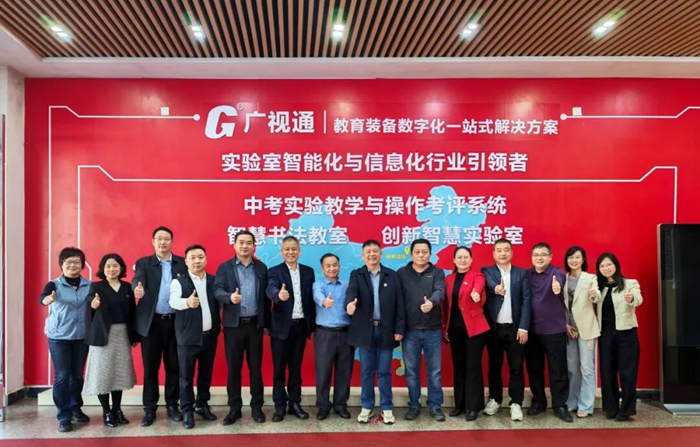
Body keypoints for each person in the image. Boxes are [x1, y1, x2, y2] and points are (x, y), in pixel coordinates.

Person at [132, 226, 188, 426]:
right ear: (153, 242)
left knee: (174, 366)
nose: (163, 242)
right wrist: (137, 288)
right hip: (152, 323)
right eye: (159, 239)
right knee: (150, 368)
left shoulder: (182, 263)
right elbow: (137, 280)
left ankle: (172, 405)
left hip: (175, 322)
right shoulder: (144, 263)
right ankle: (149, 409)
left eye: (166, 239)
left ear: (172, 242)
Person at [346, 240, 405, 425]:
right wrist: (349, 304)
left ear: (381, 254)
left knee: (385, 371)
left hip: (386, 330)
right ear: (363, 256)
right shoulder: (357, 274)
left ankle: (387, 407)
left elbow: (400, 304)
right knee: (367, 372)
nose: (372, 254)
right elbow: (351, 292)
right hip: (366, 331)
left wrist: (399, 329)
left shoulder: (392, 275)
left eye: (375, 251)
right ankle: (367, 406)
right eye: (368, 252)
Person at [213, 230, 269, 425]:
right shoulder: (225, 268)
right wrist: (229, 297)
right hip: (233, 326)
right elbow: (217, 290)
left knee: (255, 368)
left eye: (248, 243)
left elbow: (266, 298)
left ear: (254, 246)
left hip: (254, 325)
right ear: (234, 245)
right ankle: (234, 409)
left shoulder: (261, 267)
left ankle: (257, 408)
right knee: (234, 369)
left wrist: (265, 323)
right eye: (241, 242)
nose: (245, 246)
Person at [39, 247, 92, 432]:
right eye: (68, 262)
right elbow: (43, 297)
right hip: (59, 337)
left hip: (81, 337)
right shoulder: (54, 285)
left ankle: (75, 408)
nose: (72, 265)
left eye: (76, 262)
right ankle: (64, 416)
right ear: (61, 264)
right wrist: (46, 300)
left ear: (82, 265)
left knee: (77, 376)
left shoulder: (89, 285)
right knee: (62, 376)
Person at [169, 245, 221, 429]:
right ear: (186, 261)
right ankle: (187, 411)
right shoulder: (178, 282)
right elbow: (173, 302)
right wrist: (187, 302)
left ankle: (202, 405)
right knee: (186, 377)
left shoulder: (214, 280)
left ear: (206, 259)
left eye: (200, 257)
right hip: (187, 337)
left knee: (205, 374)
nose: (197, 261)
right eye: (193, 258)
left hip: (209, 336)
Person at [83, 253, 138, 428]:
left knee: (119, 374)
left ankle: (117, 410)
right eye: (108, 266)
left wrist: (134, 336)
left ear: (121, 268)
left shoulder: (127, 287)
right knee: (103, 375)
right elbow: (89, 299)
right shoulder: (96, 286)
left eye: (115, 266)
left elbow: (133, 312)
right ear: (103, 269)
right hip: (102, 336)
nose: (112, 269)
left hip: (122, 334)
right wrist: (93, 303)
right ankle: (106, 411)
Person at [266, 235, 316, 422]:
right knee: (279, 369)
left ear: (299, 251)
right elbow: (270, 289)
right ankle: (280, 406)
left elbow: (310, 301)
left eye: (294, 249)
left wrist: (312, 326)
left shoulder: (308, 272)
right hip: (280, 329)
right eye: (287, 249)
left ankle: (295, 403)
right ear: (281, 252)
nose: (290, 252)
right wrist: (278, 295)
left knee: (296, 369)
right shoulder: (274, 271)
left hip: (300, 327)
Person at [481, 238, 531, 422]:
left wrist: (524, 327)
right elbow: (488, 282)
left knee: (516, 367)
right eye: (499, 250)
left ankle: (516, 402)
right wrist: (496, 288)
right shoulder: (487, 271)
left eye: (506, 250)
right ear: (494, 253)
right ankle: (495, 399)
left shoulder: (521, 274)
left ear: (511, 252)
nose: (503, 253)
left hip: (515, 329)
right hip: (494, 329)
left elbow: (527, 302)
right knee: (494, 367)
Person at [398, 238, 447, 422]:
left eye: (424, 252)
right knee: (411, 371)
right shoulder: (402, 273)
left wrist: (432, 303)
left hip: (432, 329)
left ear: (430, 254)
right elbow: (397, 301)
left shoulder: (437, 272)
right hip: (409, 331)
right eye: (417, 252)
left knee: (434, 372)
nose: (421, 255)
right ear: (411, 254)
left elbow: (440, 291)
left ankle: (435, 406)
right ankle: (414, 405)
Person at [525, 242, 572, 422]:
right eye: (536, 255)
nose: (539, 258)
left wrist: (557, 286)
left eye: (543, 254)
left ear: (550, 257)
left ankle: (560, 405)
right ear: (531, 257)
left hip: (554, 331)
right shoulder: (526, 274)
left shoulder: (556, 273)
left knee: (558, 370)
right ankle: (539, 402)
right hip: (532, 331)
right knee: (534, 369)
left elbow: (559, 281)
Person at [442, 246, 489, 421]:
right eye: (459, 257)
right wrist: (444, 327)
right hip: (455, 331)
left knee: (473, 367)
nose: (462, 260)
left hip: (474, 329)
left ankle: (473, 407)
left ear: (471, 260)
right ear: (454, 260)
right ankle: (459, 405)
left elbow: (479, 287)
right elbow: (445, 305)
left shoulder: (478, 276)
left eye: (466, 257)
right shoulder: (448, 279)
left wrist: (476, 293)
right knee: (459, 367)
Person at [596, 253, 643, 422]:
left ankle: (627, 410)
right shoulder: (599, 287)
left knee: (627, 372)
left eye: (609, 264)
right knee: (607, 372)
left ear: (615, 265)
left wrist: (631, 298)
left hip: (626, 333)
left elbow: (639, 299)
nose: (606, 268)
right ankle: (611, 408)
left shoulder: (630, 283)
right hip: (605, 334)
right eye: (602, 266)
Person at [312, 253, 353, 420]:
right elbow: (317, 296)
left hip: (345, 334)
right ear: (322, 268)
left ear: (339, 266)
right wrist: (324, 301)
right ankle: (323, 406)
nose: (332, 268)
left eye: (335, 265)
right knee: (323, 372)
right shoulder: (318, 285)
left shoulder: (347, 285)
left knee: (344, 371)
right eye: (328, 266)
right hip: (325, 334)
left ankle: (340, 405)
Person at [563, 246, 601, 418]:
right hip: (568, 329)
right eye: (570, 257)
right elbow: (560, 304)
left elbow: (597, 297)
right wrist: (564, 324)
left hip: (586, 328)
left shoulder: (590, 278)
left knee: (587, 368)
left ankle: (586, 405)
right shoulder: (563, 278)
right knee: (571, 367)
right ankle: (572, 401)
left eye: (577, 257)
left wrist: (594, 294)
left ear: (583, 259)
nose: (574, 260)